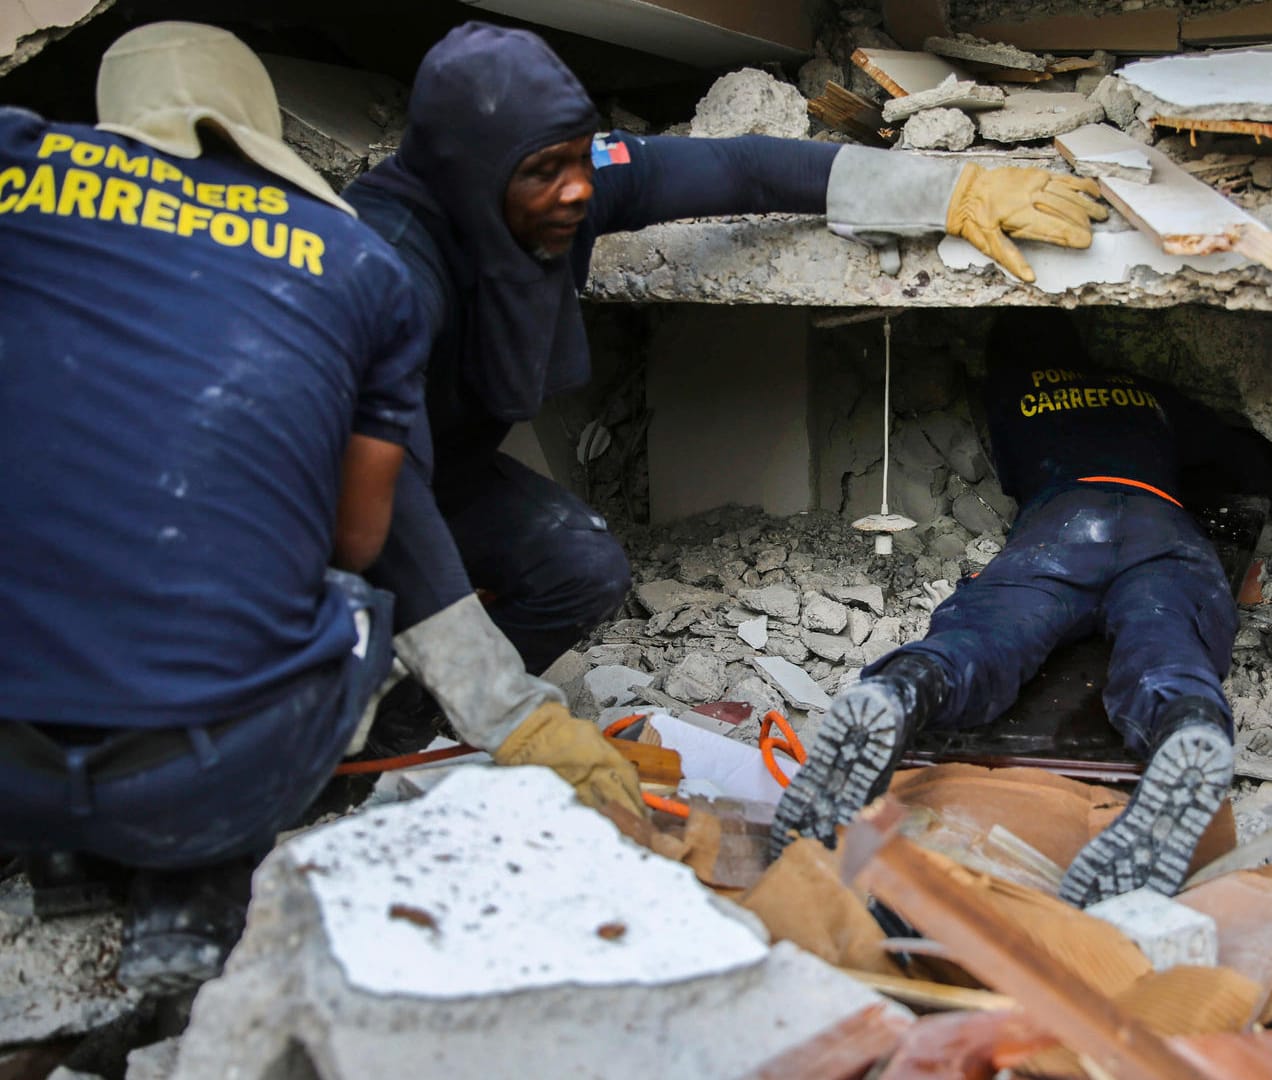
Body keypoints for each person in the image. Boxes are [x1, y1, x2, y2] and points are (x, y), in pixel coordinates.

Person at [339, 22, 1110, 795]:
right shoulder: (384, 266)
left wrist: (947, 191)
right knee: (349, 634)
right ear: (468, 176)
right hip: (337, 499)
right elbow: (391, 514)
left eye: (580, 156)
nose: (578, 187)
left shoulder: (543, 184)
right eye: (548, 170)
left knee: (580, 568)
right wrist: (512, 715)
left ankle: (394, 734)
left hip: (444, 465)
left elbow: (740, 167)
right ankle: (331, 744)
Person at [0, 23, 429, 991]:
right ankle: (191, 887)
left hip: (8, 769)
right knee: (359, 610)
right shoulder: (362, 265)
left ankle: (58, 854)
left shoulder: (19, 163)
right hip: (196, 776)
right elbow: (358, 539)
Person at [775, 309, 1272, 907]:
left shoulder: (1009, 392)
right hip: (1158, 520)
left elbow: (1017, 473)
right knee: (1167, 637)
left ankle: (905, 688)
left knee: (991, 629)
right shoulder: (1147, 393)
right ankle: (1186, 725)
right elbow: (1243, 461)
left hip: (1063, 521)